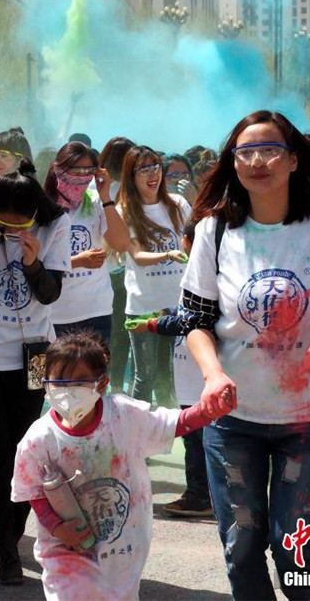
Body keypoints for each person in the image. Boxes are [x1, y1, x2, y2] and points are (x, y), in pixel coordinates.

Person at [181, 110, 310, 600]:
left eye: (270, 150)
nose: (257, 161)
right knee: (241, 546)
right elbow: (195, 318)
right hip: (232, 415)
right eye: (246, 151)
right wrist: (212, 375)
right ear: (233, 161)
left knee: (294, 548)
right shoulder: (214, 230)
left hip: (308, 416)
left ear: (293, 161)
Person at [11, 330, 233, 600]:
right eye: (58, 382)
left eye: (79, 382)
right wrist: (57, 528)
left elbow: (173, 424)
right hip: (65, 551)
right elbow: (33, 491)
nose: (67, 390)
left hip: (122, 551)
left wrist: (208, 411)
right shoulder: (38, 440)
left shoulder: (124, 416)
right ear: (46, 384)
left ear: (102, 384)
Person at [0, 163, 70, 585]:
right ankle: (3, 545)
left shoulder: (55, 226)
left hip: (35, 355)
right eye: (2, 222)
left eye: (19, 224)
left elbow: (51, 294)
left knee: (26, 452)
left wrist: (33, 263)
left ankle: (11, 531)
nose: (8, 230)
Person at [126, 220, 213, 517]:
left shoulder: (206, 273)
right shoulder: (199, 271)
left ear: (186, 241)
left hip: (200, 379)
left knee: (199, 439)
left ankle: (201, 496)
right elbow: (184, 311)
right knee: (197, 438)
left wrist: (153, 324)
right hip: (191, 377)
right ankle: (207, 494)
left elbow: (193, 319)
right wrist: (164, 313)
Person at [117, 145, 189, 408]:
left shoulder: (178, 204)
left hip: (178, 305)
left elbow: (195, 240)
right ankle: (139, 428)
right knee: (144, 376)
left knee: (173, 375)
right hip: (143, 306)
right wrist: (168, 254)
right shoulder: (124, 211)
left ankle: (171, 425)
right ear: (131, 176)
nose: (153, 174)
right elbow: (137, 255)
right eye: (144, 169)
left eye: (156, 166)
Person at [44, 142, 129, 343]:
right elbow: (35, 262)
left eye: (88, 171)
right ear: (58, 169)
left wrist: (106, 196)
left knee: (96, 365)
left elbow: (121, 243)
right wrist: (77, 261)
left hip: (96, 311)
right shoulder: (43, 205)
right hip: (54, 313)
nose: (81, 177)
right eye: (75, 171)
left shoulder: (95, 201)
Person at [98, 136, 136, 393]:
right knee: (121, 335)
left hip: (100, 269)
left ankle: (100, 386)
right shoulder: (129, 190)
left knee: (103, 335)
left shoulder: (97, 187)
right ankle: (118, 389)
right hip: (124, 269)